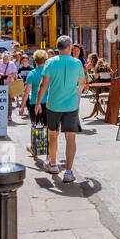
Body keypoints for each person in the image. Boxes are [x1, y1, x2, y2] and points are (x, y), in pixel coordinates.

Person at [35, 35, 88, 183]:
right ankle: (69, 172)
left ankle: (53, 164)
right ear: (70, 47)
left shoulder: (50, 62)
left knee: (53, 135)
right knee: (70, 137)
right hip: (71, 105)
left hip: (53, 105)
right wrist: (78, 92)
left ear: (58, 47)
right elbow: (82, 82)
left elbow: (43, 85)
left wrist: (38, 103)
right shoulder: (77, 63)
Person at [23, 49, 48, 152]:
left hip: (34, 104)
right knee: (47, 127)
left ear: (35, 60)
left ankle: (34, 148)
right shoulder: (49, 72)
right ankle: (48, 149)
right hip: (48, 104)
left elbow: (26, 91)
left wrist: (21, 106)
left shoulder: (32, 73)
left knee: (35, 127)